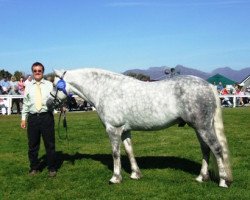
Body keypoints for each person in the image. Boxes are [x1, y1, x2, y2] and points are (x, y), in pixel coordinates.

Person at [20, 62, 57, 177]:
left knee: (50, 144)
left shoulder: (50, 85)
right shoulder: (28, 86)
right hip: (32, 118)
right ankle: (34, 167)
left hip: (46, 117)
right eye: (35, 71)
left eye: (39, 71)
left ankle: (51, 168)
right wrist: (23, 119)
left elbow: (55, 101)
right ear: (32, 72)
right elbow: (25, 103)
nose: (37, 72)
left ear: (42, 72)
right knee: (32, 145)